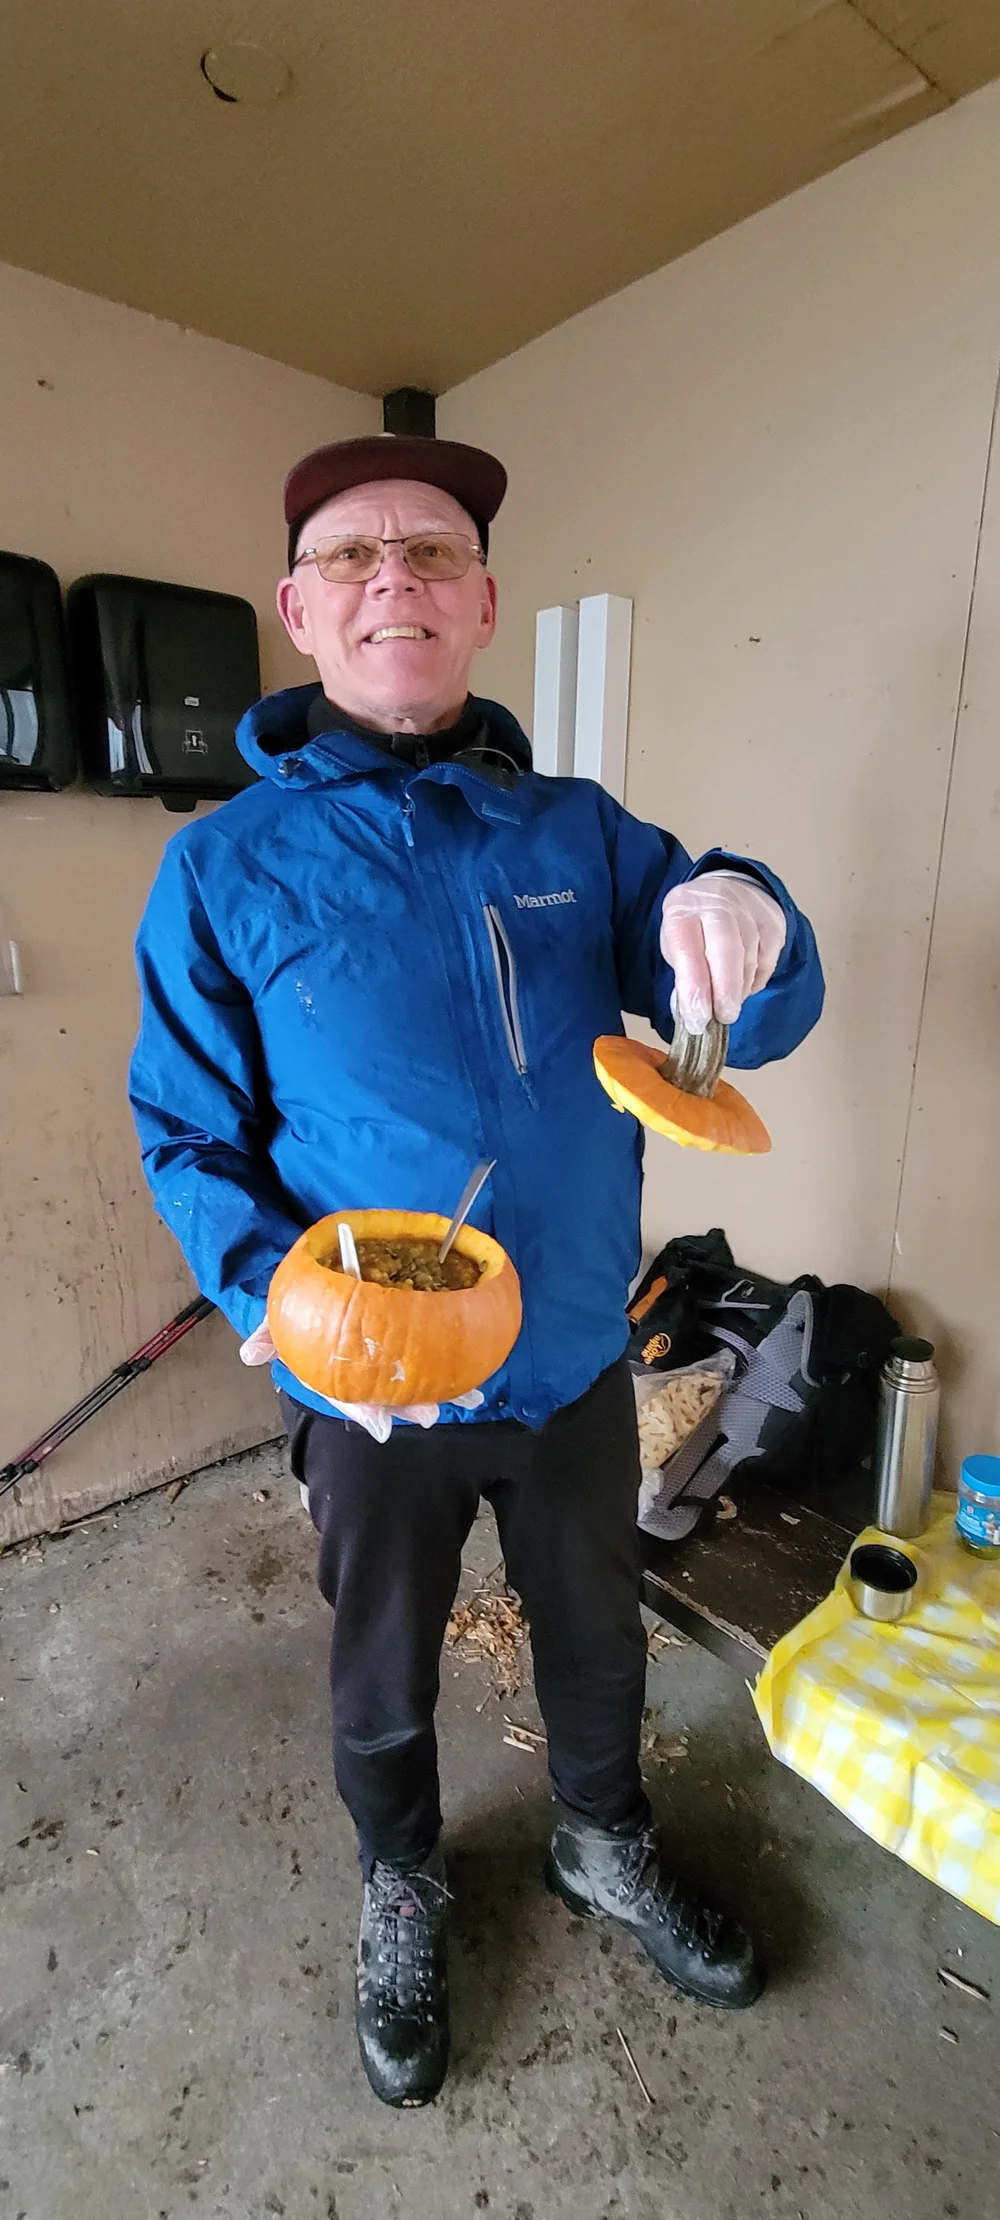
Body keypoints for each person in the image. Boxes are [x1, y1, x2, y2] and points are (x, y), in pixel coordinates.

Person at [130, 433, 824, 2110]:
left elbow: (746, 1021)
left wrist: (753, 912)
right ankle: (402, 1879)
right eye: (355, 557)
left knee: (595, 1637)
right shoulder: (224, 867)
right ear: (300, 608)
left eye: (434, 553)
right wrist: (268, 1303)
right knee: (382, 1669)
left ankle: (602, 1838)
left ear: (486, 604)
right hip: (372, 1385)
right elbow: (188, 1132)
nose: (397, 580)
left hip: (576, 1349)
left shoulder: (582, 831)